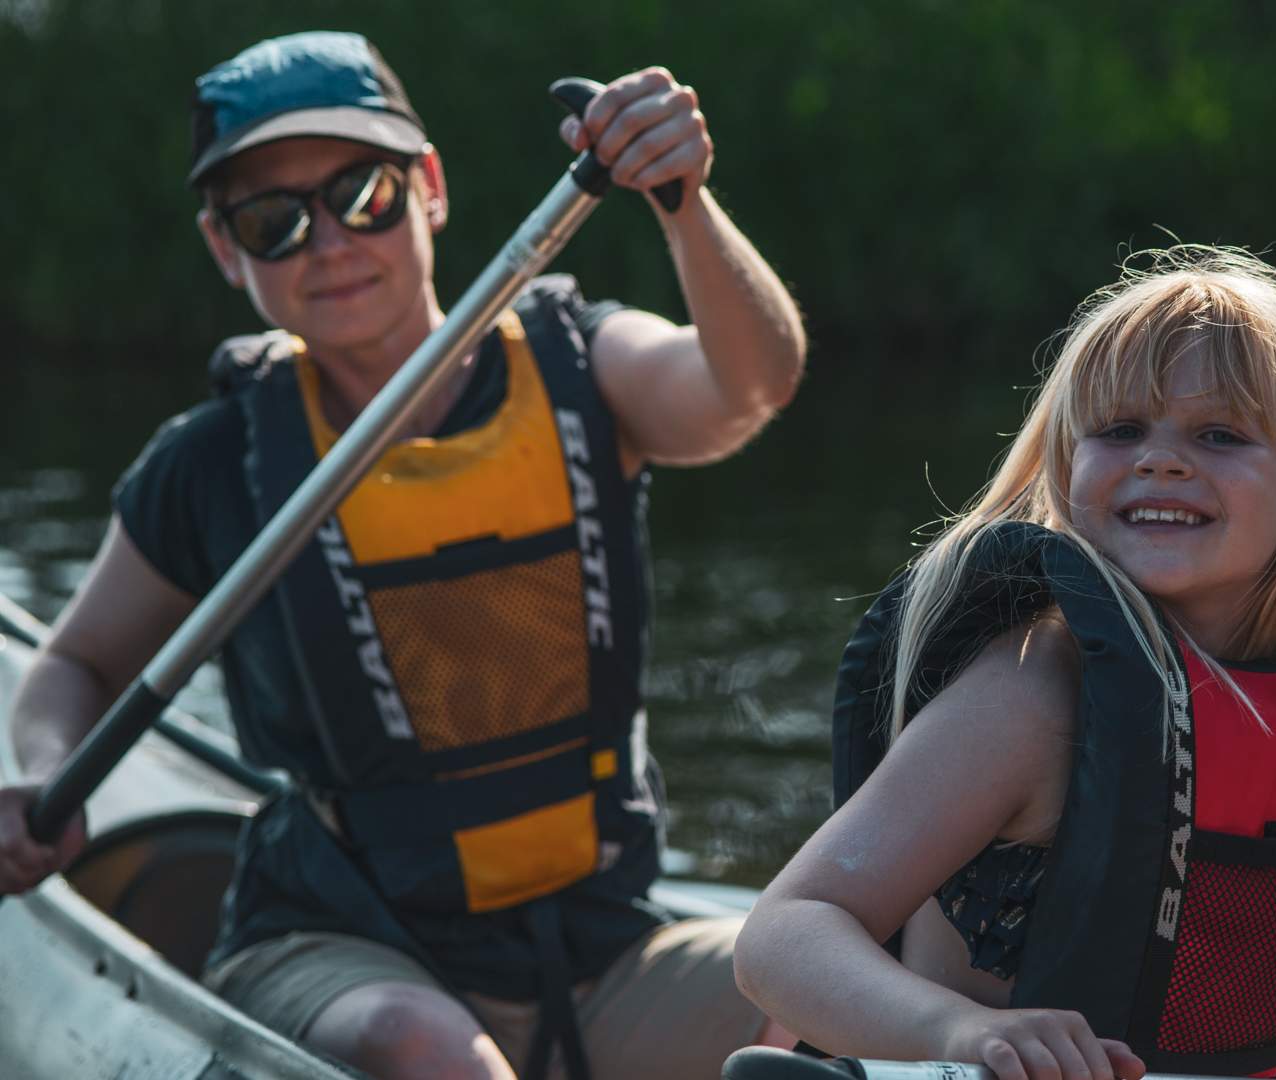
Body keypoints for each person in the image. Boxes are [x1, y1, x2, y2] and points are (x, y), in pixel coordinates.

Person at [0, 30, 804, 1080]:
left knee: (840, 993)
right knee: (436, 1056)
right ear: (223, 249)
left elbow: (750, 385)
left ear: (427, 188)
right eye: (273, 222)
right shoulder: (210, 465)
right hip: (340, 945)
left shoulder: (583, 365)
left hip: (600, 944)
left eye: (361, 195)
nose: (328, 242)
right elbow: (75, 666)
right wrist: (46, 777)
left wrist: (682, 202)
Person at [734, 247, 1276, 1080]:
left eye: (1220, 434)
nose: (1160, 459)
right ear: (1066, 466)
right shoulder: (1032, 696)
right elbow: (784, 935)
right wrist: (959, 1032)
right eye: (1120, 429)